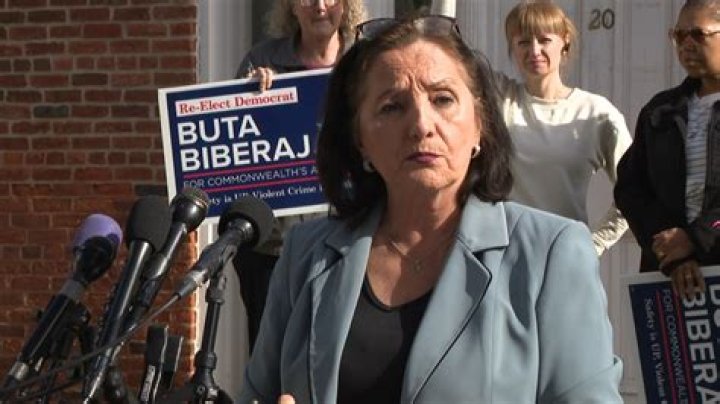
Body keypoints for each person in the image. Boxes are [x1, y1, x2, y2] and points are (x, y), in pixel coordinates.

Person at [238, 15, 622, 403]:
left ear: (480, 125)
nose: (422, 125)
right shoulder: (306, 255)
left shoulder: (551, 254)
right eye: (392, 107)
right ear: (359, 138)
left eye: (442, 99)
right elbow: (257, 394)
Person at [232, 0, 367, 350]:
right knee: (271, 354)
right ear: (291, 7)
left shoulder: (366, 61)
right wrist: (248, 97)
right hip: (273, 248)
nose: (320, 6)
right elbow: (238, 148)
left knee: (342, 353)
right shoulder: (261, 60)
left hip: (349, 239)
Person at [496, 1, 631, 256]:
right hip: (508, 258)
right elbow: (455, 59)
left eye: (544, 40)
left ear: (564, 42)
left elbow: (636, 189)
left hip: (566, 259)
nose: (534, 50)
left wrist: (594, 244)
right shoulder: (501, 98)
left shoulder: (596, 113)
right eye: (523, 42)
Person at [614, 0, 720, 299]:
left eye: (698, 34)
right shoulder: (661, 111)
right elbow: (631, 189)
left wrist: (696, 238)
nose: (686, 44)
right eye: (679, 35)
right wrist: (671, 249)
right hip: (669, 279)